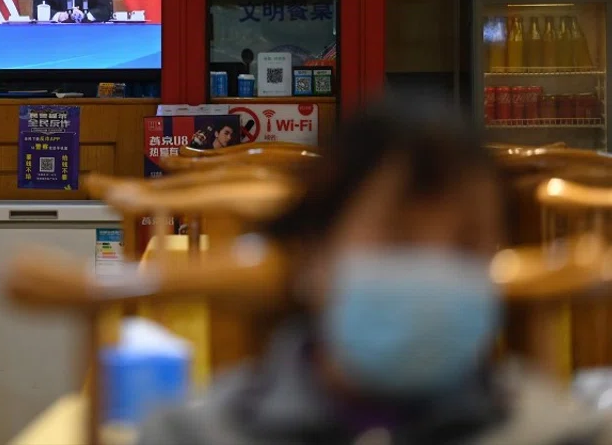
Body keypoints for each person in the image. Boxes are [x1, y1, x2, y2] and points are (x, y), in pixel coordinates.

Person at [138, 95, 612, 445]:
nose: (432, 268)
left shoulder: (562, 434)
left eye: (467, 243)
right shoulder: (194, 434)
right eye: (398, 238)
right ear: (313, 252)